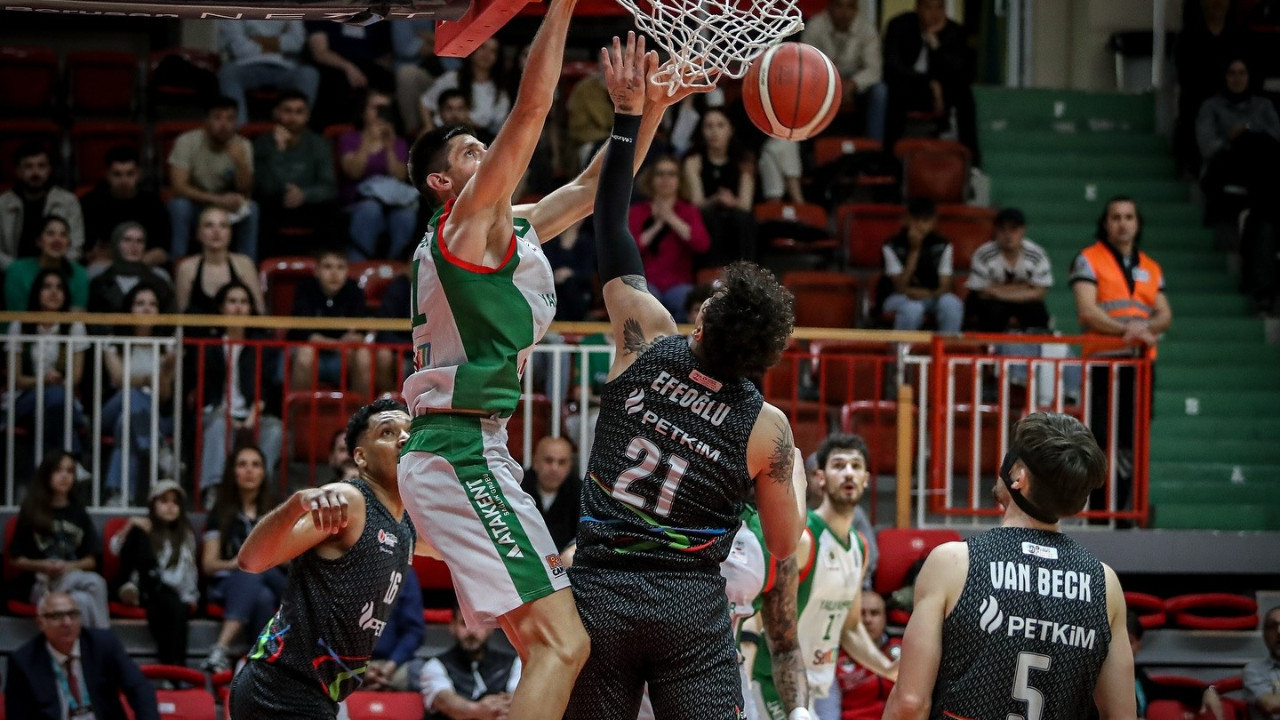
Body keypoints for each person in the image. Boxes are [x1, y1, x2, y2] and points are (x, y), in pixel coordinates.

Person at [401, 17, 689, 720]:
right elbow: (531, 110)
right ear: (444, 181)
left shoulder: (509, 227)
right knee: (562, 645)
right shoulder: (462, 227)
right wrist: (559, 7)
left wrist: (652, 102)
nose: (491, 152)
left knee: (556, 646)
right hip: (457, 449)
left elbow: (596, 187)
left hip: (474, 447)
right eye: (474, 150)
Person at [563, 35, 806, 720]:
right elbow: (785, 546)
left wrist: (628, 116)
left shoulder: (646, 343)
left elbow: (609, 218)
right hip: (689, 608)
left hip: (602, 590)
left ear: (699, 326)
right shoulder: (767, 427)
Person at [881, 412, 1135, 720]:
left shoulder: (955, 563)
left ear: (1018, 476)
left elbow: (910, 702)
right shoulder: (1103, 584)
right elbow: (1121, 716)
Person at [229, 400, 417, 719]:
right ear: (361, 457)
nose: (403, 438)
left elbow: (464, 550)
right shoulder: (349, 501)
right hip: (278, 687)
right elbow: (250, 561)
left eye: (409, 432)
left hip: (316, 695)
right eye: (388, 432)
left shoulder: (406, 522)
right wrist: (294, 506)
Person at [750, 434, 897, 720]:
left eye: (856, 466)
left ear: (866, 479)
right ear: (819, 477)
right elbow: (759, 618)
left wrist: (888, 668)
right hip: (775, 686)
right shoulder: (804, 540)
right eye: (838, 465)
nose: (848, 472)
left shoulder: (859, 547)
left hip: (815, 688)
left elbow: (851, 628)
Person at [1070, 197, 1171, 519]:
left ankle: (1125, 510)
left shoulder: (1151, 267)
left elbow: (1165, 313)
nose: (1122, 223)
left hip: (1139, 366)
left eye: (1129, 217)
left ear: (1137, 223)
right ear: (1106, 222)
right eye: (1115, 217)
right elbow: (1087, 309)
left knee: (1131, 439)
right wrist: (1127, 331)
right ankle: (1100, 510)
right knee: (1099, 437)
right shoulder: (1088, 259)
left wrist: (1145, 330)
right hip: (1104, 363)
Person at [4, 591, 159, 720]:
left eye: (72, 614)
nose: (67, 622)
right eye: (57, 616)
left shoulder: (102, 645)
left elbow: (139, 688)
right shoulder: (23, 662)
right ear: (40, 623)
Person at [193, 281, 285, 492]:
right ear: (221, 308)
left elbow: (268, 386)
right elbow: (205, 388)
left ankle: (262, 491)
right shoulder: (209, 344)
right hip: (217, 413)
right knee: (217, 425)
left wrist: (252, 415)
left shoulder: (262, 344)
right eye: (232, 301)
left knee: (275, 429)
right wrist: (227, 416)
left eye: (244, 302)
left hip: (253, 413)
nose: (238, 307)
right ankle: (213, 489)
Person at [201, 444, 284, 673]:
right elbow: (209, 565)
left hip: (276, 578)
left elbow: (290, 558)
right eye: (242, 465)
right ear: (233, 472)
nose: (249, 470)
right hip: (229, 583)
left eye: (255, 465)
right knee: (261, 595)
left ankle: (221, 648)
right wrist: (242, 562)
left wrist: (261, 560)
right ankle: (263, 664)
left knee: (258, 571)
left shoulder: (278, 511)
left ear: (263, 473)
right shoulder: (219, 512)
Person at [7, 452, 110, 629]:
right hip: (40, 583)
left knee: (82, 600)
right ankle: (106, 644)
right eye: (58, 471)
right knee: (94, 583)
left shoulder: (79, 512)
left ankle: (93, 649)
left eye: (70, 471)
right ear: (47, 475)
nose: (65, 476)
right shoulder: (31, 510)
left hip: (72, 576)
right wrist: (44, 566)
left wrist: (68, 567)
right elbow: (15, 559)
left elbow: (92, 560)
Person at [108, 479, 199, 667]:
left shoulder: (185, 535)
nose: (170, 507)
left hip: (164, 589)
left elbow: (184, 573)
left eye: (175, 503)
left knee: (171, 607)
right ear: (153, 505)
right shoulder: (143, 529)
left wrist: (189, 596)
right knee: (138, 533)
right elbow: (115, 549)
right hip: (138, 583)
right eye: (164, 501)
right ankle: (131, 587)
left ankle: (173, 668)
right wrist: (130, 524)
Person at [101, 284, 177, 506]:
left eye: (152, 304)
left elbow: (163, 397)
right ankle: (156, 448)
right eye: (140, 303)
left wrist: (164, 373)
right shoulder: (113, 342)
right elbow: (118, 379)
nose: (146, 309)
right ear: (129, 309)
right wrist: (146, 381)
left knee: (128, 424)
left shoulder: (167, 346)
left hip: (154, 415)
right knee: (132, 394)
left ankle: (119, 495)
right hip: (113, 408)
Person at [4, 271, 90, 458]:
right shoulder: (20, 325)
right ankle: (73, 460)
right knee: (56, 399)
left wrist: (56, 384)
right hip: (25, 399)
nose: (54, 292)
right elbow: (15, 379)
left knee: (52, 408)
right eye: (47, 287)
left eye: (59, 287)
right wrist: (43, 381)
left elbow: (75, 378)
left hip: (61, 398)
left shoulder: (74, 326)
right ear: (37, 292)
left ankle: (41, 472)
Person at [882, 0, 979, 164]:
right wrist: (928, 83)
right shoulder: (900, 25)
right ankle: (889, 161)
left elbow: (961, 73)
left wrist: (936, 46)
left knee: (964, 95)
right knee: (892, 92)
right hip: (909, 87)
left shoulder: (954, 31)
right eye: (929, 8)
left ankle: (972, 161)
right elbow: (893, 66)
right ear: (918, 8)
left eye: (939, 8)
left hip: (940, 92)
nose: (934, 14)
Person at [167, 96, 259, 260]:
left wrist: (241, 165)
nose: (224, 125)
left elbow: (245, 190)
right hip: (196, 205)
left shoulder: (243, 145)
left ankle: (248, 264)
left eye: (230, 119)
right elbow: (178, 187)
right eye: (217, 118)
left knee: (252, 209)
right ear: (206, 121)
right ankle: (177, 262)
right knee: (179, 206)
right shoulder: (186, 141)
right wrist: (216, 199)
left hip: (227, 209)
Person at [252, 90, 339, 256]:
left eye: (299, 112)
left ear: (307, 115)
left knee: (331, 207)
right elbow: (264, 187)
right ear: (276, 113)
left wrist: (304, 194)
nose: (293, 117)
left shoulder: (319, 144)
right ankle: (264, 265)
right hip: (275, 205)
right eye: (288, 111)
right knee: (262, 205)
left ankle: (328, 264)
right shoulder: (262, 144)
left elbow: (329, 186)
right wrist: (279, 152)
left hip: (308, 205)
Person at [629, 154, 711, 321]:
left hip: (679, 284)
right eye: (660, 174)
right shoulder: (637, 212)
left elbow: (702, 244)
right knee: (645, 300)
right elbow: (630, 249)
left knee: (688, 302)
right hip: (646, 282)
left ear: (679, 180)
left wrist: (671, 218)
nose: (665, 179)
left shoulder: (688, 211)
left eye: (671, 174)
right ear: (651, 179)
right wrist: (657, 225)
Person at [338, 89, 417, 261]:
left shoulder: (398, 142)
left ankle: (397, 266)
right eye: (376, 108)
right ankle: (358, 264)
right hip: (358, 201)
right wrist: (367, 142)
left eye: (385, 109)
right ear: (363, 112)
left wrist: (389, 147)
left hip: (392, 200)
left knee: (406, 215)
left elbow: (400, 176)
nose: (381, 113)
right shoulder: (349, 138)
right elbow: (353, 172)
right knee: (370, 210)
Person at [286, 249, 373, 393]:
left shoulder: (354, 291)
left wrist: (354, 338)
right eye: (328, 267)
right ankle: (298, 413)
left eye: (340, 267)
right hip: (311, 353)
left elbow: (360, 332)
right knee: (306, 353)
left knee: (363, 355)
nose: (334, 273)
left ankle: (363, 413)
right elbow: (303, 333)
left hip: (343, 356)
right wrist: (337, 344)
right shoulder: (305, 289)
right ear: (317, 271)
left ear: (347, 271)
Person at [801, 0, 887, 141]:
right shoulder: (815, 27)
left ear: (856, 9)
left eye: (850, 6)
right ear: (829, 7)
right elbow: (807, 67)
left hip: (857, 85)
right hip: (823, 83)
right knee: (803, 88)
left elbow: (874, 69)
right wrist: (834, 85)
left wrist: (853, 84)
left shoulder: (866, 29)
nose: (844, 12)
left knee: (880, 91)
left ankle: (874, 148)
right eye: (839, 5)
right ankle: (810, 148)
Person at [682, 107, 758, 267]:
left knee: (742, 219)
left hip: (736, 214)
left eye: (720, 125)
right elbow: (697, 203)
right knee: (706, 216)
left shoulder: (744, 160)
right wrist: (716, 199)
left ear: (730, 130)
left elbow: (745, 204)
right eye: (709, 126)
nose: (714, 132)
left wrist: (731, 202)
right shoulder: (693, 160)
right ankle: (711, 271)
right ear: (702, 131)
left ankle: (747, 271)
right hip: (707, 213)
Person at [420, 605, 523, 720]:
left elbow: (519, 700)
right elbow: (445, 701)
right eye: (464, 623)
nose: (471, 631)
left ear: (490, 627)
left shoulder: (515, 663)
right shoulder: (434, 666)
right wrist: (478, 710)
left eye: (478, 624)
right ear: (452, 626)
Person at [79, 145, 171, 269]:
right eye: (117, 174)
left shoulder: (153, 204)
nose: (124, 180)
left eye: (130, 174)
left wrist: (130, 266)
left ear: (139, 174)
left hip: (144, 266)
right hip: (105, 267)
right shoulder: (90, 203)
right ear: (107, 174)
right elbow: (89, 252)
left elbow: (162, 252)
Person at [878, 198, 963, 332]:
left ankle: (946, 350)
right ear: (906, 220)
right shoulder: (891, 246)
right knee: (913, 308)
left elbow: (945, 286)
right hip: (898, 297)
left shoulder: (942, 245)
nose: (920, 226)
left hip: (932, 295)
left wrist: (927, 293)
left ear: (933, 222)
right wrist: (914, 251)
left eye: (926, 221)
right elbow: (899, 287)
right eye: (916, 220)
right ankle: (901, 351)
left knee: (952, 304)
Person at [963, 208, 1052, 333]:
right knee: (990, 308)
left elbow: (1039, 293)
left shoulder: (1037, 255)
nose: (1008, 235)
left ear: (1023, 230)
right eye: (1002, 229)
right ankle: (987, 348)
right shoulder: (983, 254)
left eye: (1013, 229)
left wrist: (996, 291)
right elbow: (981, 292)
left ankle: (1036, 346)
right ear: (996, 231)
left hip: (1021, 302)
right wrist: (1024, 287)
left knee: (1036, 310)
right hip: (990, 303)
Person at [217, 19, 320, 126]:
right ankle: (239, 132)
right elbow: (239, 48)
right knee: (227, 73)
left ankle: (295, 129)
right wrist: (278, 42)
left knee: (309, 74)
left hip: (285, 67)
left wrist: (256, 40)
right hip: (246, 66)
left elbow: (296, 43)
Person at [0, 142, 85, 268]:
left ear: (49, 169)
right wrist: (18, 271)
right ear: (18, 171)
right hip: (12, 272)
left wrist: (50, 268)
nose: (36, 172)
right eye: (28, 166)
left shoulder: (68, 202)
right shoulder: (2, 203)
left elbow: (75, 247)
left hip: (57, 273)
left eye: (41, 166)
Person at [173, 205, 265, 315]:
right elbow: (179, 318)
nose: (216, 231)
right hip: (198, 332)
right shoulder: (187, 268)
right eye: (209, 225)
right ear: (198, 233)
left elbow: (259, 312)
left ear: (230, 233)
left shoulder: (245, 265)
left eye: (223, 226)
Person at [419, 39, 511, 136]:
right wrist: (428, 127)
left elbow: (498, 128)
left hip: (479, 139)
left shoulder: (500, 92)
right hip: (442, 135)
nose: (486, 54)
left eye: (493, 51)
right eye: (482, 47)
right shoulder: (452, 78)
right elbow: (425, 102)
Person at [834, 592, 901, 720]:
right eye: (861, 613)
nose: (868, 620)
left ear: (885, 617)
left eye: (874, 613)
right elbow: (828, 710)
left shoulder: (904, 648)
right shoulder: (836, 658)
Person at [87, 221, 175, 318]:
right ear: (116, 243)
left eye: (139, 241)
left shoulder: (159, 284)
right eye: (127, 240)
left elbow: (169, 320)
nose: (134, 246)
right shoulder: (99, 284)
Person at [5, 215, 89, 312]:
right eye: (50, 234)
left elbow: (76, 317)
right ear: (38, 241)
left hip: (66, 327)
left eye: (63, 235)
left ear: (68, 243)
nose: (57, 240)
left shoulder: (79, 274)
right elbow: (17, 316)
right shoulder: (17, 270)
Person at [365, 566, 426, 692]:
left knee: (425, 674)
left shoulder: (404, 572)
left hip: (394, 665)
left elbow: (414, 631)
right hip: (348, 665)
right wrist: (358, 671)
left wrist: (390, 666)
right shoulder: (344, 568)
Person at [518, 436, 580, 552]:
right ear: (535, 461)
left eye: (562, 462)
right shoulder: (517, 487)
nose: (554, 468)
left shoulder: (580, 492)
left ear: (570, 466)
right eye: (548, 460)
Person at [1244, 606, 1280, 720]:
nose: (1279, 631)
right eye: (1272, 627)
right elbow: (1271, 704)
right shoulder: (1253, 670)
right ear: (1264, 635)